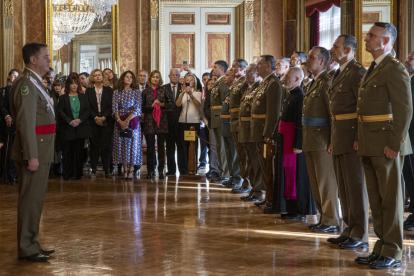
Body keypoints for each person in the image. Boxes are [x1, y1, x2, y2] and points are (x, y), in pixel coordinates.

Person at [355, 22, 412, 269]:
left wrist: (395, 143)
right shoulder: (374, 68)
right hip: (369, 141)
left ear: (386, 41)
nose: (366, 39)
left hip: (387, 142)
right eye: (368, 35)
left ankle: (393, 250)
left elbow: (404, 109)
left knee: (391, 200)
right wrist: (360, 137)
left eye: (372, 35)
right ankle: (381, 247)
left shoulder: (394, 68)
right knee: (376, 200)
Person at [10, 42, 55, 262]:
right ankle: (26, 247)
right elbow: (26, 122)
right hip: (34, 151)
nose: (49, 61)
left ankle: (31, 242)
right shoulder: (26, 84)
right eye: (45, 57)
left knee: (35, 201)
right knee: (30, 201)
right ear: (33, 60)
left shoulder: (36, 82)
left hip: (41, 148)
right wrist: (31, 155)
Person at [327, 34, 369, 249]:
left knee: (356, 186)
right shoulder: (338, 72)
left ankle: (360, 233)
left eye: (336, 47)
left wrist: (359, 138)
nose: (332, 50)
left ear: (348, 50)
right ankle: (349, 228)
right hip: (338, 134)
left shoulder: (357, 72)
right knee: (343, 187)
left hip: (352, 135)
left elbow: (362, 109)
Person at [302, 46, 340, 233]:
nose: (307, 60)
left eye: (311, 57)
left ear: (322, 61)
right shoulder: (313, 82)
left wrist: (333, 140)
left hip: (323, 139)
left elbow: (333, 115)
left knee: (326, 182)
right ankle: (323, 217)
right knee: (316, 182)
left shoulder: (327, 82)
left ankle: (331, 220)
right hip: (310, 138)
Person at [273, 67, 316, 218]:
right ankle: (286, 207)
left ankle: (296, 209)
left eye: (288, 76)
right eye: (285, 76)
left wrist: (298, 144)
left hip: (293, 143)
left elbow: (299, 122)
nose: (285, 78)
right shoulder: (289, 95)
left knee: (295, 175)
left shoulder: (300, 96)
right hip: (284, 138)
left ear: (297, 79)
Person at [245, 55, 282, 205]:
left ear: (268, 65)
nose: (257, 66)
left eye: (259, 64)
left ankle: (271, 198)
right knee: (261, 164)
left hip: (264, 131)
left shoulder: (274, 83)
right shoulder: (264, 83)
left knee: (268, 166)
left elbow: (273, 111)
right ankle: (267, 196)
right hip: (257, 129)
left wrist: (268, 133)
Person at [232, 64, 261, 196]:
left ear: (257, 74)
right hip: (243, 127)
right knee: (245, 158)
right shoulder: (250, 88)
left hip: (251, 129)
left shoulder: (258, 88)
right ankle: (250, 185)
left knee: (253, 160)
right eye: (247, 72)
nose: (247, 75)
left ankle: (257, 189)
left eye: (250, 72)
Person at [58, 76, 91, 180]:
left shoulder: (83, 97)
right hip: (67, 127)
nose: (74, 85)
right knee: (67, 152)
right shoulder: (63, 97)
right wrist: (69, 121)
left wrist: (79, 120)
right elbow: (60, 111)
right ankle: (67, 173)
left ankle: (78, 174)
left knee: (79, 152)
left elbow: (87, 110)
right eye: (71, 83)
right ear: (68, 85)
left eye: (76, 83)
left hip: (80, 127)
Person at [142, 70, 173, 179]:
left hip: (162, 121)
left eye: (157, 77)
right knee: (150, 147)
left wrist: (160, 104)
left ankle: (161, 170)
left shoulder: (164, 90)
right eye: (154, 77)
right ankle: (150, 170)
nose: (155, 79)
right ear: (150, 78)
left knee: (161, 147)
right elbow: (142, 107)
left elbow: (170, 105)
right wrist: (152, 106)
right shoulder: (145, 91)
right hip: (149, 121)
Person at [113, 71, 142, 180]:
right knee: (122, 146)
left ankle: (131, 170)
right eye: (127, 76)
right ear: (123, 78)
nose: (129, 78)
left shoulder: (136, 92)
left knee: (132, 147)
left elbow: (138, 108)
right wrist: (120, 121)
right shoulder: (116, 92)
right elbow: (115, 109)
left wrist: (128, 120)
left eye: (131, 77)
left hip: (132, 123)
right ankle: (124, 170)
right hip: (120, 122)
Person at [85, 69, 114, 179]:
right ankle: (93, 169)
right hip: (93, 122)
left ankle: (107, 170)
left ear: (103, 77)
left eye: (99, 75)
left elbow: (111, 106)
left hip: (107, 122)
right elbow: (87, 107)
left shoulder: (108, 90)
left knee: (106, 146)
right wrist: (96, 117)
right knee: (94, 146)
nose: (97, 77)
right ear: (92, 77)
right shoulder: (89, 90)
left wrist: (103, 117)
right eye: (95, 75)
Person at [226, 59, 248, 188]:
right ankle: (238, 178)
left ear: (242, 68)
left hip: (239, 119)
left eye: (234, 67)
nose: (232, 69)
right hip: (234, 119)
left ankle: (242, 180)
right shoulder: (237, 83)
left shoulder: (244, 82)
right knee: (238, 152)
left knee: (241, 153)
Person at [176, 74, 202, 175]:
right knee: (182, 146)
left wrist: (191, 95)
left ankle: (192, 167)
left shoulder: (197, 93)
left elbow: (198, 105)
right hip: (182, 122)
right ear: (184, 82)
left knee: (193, 146)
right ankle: (183, 169)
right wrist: (182, 93)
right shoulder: (181, 93)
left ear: (194, 82)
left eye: (191, 80)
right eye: (187, 80)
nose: (189, 81)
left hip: (194, 123)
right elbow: (177, 104)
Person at [209, 60, 230, 184]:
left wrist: (223, 118)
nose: (213, 69)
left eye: (215, 67)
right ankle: (222, 172)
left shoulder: (223, 83)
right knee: (219, 148)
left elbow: (225, 102)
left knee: (222, 148)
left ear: (222, 69)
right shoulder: (218, 83)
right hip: (216, 118)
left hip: (221, 118)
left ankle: (225, 174)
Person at [0, 69, 19, 184]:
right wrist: (7, 116)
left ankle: (15, 174)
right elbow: (1, 106)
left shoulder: (21, 91)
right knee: (7, 150)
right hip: (7, 124)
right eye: (13, 75)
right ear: (9, 76)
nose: (15, 77)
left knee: (17, 150)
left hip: (19, 124)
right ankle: (7, 175)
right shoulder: (3, 91)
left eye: (17, 76)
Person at [163, 68, 182, 175]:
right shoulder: (164, 88)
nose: (175, 77)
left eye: (177, 75)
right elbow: (162, 104)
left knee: (181, 146)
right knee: (169, 147)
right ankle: (171, 170)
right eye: (173, 75)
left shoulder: (183, 87)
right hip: (168, 121)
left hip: (181, 121)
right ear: (169, 76)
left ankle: (182, 169)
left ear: (179, 76)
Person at [403, 50, 414, 231]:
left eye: (411, 58)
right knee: (410, 176)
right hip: (408, 136)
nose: (407, 60)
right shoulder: (410, 79)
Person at [203, 78, 220, 178]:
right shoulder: (209, 92)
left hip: (222, 122)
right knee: (213, 147)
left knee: (222, 147)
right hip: (212, 122)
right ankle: (214, 169)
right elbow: (206, 108)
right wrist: (213, 117)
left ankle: (223, 169)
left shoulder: (222, 89)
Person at [198, 72, 211, 170]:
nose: (206, 81)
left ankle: (208, 162)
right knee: (201, 143)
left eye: (208, 79)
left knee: (208, 144)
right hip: (199, 121)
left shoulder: (212, 90)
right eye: (204, 79)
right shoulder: (200, 90)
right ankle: (201, 161)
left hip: (208, 122)